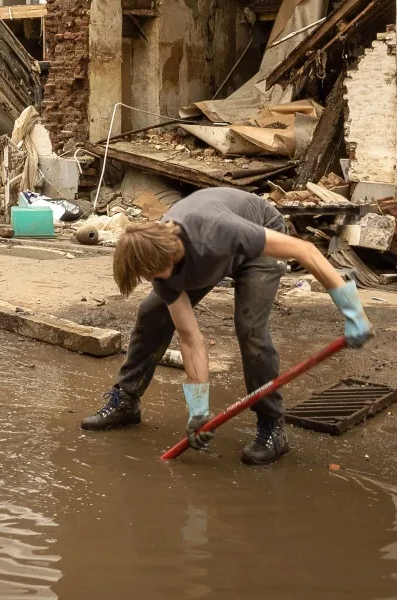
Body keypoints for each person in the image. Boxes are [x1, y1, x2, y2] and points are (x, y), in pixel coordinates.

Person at [81, 188, 374, 465]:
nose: (150, 279)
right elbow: (190, 337)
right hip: (206, 254)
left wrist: (352, 311)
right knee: (152, 312)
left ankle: (272, 425)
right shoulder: (161, 264)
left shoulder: (218, 232)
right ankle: (127, 401)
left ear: (169, 255)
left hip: (257, 241)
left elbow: (306, 250)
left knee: (250, 328)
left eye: (152, 273)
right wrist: (198, 410)